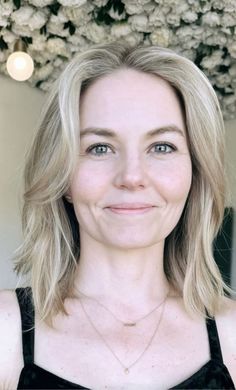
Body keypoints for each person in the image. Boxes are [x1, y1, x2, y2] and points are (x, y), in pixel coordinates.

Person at [0, 41, 235, 389]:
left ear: (194, 173)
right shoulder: (5, 330)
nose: (131, 177)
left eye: (162, 147)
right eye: (99, 147)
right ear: (62, 174)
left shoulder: (232, 333)